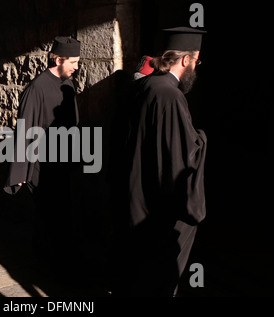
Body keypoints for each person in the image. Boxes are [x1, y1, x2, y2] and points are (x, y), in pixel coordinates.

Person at [116, 27, 208, 296]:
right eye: (196, 61)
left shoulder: (144, 86)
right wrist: (202, 139)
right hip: (155, 208)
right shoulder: (170, 95)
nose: (195, 67)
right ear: (184, 60)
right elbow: (181, 157)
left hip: (135, 196)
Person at [3, 36, 81, 271]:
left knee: (62, 214)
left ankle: (59, 260)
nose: (76, 67)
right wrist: (20, 169)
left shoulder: (68, 84)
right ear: (58, 59)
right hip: (42, 166)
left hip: (62, 163)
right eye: (73, 62)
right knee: (47, 215)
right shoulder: (36, 87)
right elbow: (24, 128)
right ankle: (46, 262)